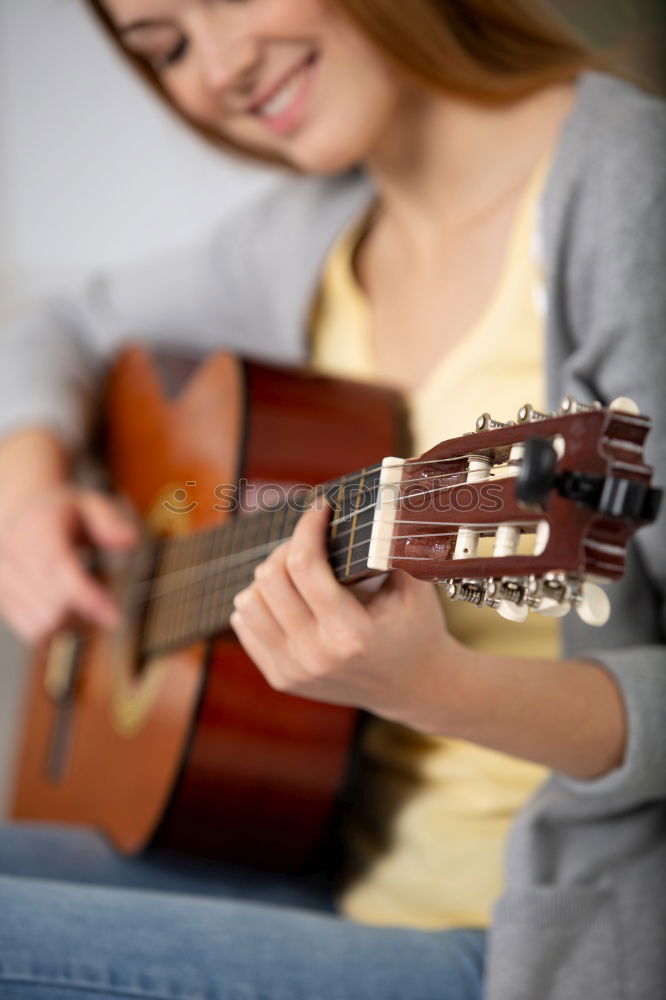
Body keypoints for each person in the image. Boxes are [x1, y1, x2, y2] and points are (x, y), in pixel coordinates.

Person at [0, 1, 664, 998]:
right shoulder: (313, 231)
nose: (216, 70)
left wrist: (434, 687)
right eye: (166, 47)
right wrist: (25, 479)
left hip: (530, 944)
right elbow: (61, 319)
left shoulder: (631, 189)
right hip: (310, 863)